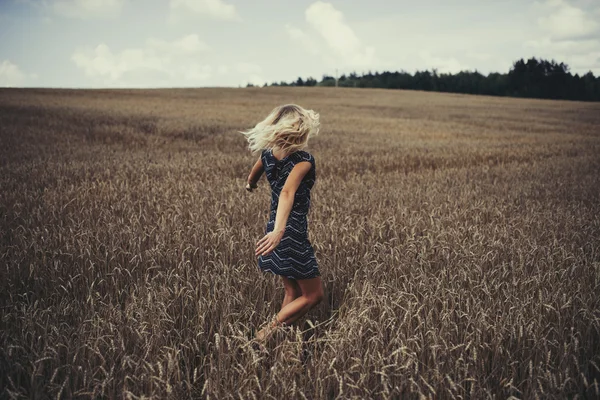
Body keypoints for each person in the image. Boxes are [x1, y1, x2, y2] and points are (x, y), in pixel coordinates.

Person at [241, 104, 324, 343]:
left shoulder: (268, 154)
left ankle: (275, 340)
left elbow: (254, 173)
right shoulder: (303, 161)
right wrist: (280, 230)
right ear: (301, 130)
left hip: (274, 226)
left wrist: (251, 185)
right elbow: (288, 192)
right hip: (290, 231)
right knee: (314, 295)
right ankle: (263, 334)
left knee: (292, 291)